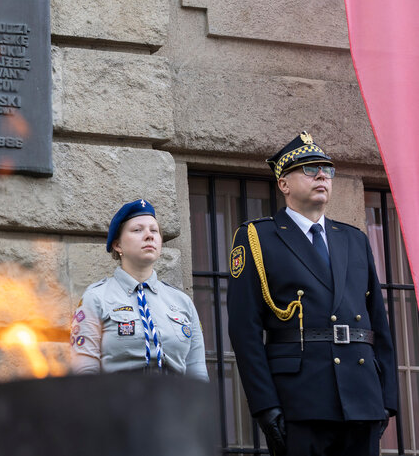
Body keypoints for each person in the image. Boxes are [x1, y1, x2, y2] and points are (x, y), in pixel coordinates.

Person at [227, 132, 397, 456]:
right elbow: (244, 330)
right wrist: (265, 405)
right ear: (283, 184)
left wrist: (387, 398)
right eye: (309, 169)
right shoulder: (257, 238)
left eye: (327, 170)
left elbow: (379, 324)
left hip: (362, 398)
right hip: (299, 400)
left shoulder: (353, 239)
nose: (322, 175)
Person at [70, 199, 208, 380]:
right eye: (137, 230)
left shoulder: (182, 302)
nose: (149, 235)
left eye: (154, 230)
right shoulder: (96, 298)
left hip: (175, 403)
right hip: (119, 403)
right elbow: (85, 372)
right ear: (117, 244)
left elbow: (196, 369)